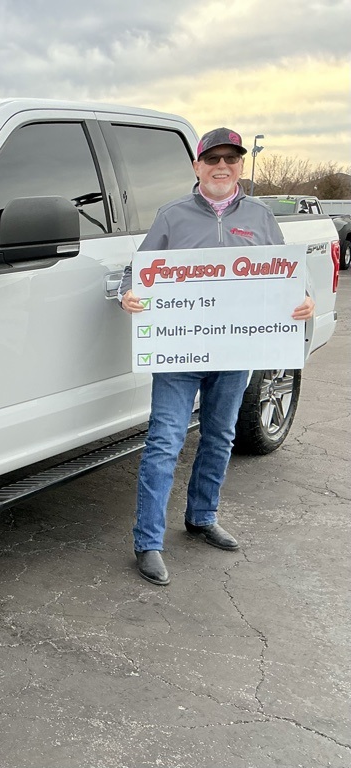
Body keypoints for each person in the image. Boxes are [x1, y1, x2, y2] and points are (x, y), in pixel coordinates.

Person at [119, 127, 315, 586]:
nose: (222, 166)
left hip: (236, 351)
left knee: (220, 435)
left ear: (241, 166)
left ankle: (201, 517)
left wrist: (302, 299)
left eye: (231, 158)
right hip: (179, 352)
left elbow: (285, 274)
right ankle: (148, 542)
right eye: (213, 159)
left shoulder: (262, 217)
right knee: (165, 442)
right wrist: (130, 291)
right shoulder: (172, 216)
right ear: (197, 167)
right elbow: (138, 269)